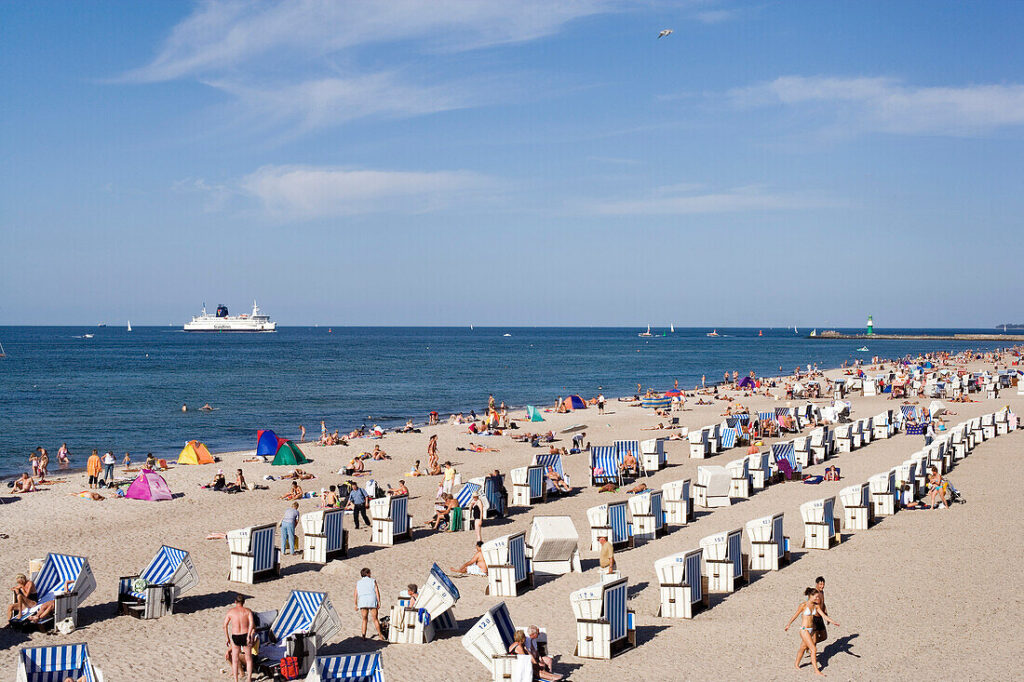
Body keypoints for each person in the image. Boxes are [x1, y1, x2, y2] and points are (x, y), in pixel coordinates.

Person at [784, 587, 839, 676]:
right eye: (816, 597)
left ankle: (796, 664)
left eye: (818, 597)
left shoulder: (816, 606)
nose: (818, 598)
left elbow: (823, 615)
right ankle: (816, 670)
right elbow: (795, 615)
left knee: (803, 647)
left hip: (812, 630)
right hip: (804, 630)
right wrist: (788, 624)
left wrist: (833, 622)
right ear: (810, 596)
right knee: (813, 649)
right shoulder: (803, 605)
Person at [223, 594, 255, 682]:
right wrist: (249, 635)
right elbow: (251, 624)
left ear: (235, 602)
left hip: (235, 635)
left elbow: (224, 626)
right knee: (248, 658)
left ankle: (236, 680)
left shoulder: (231, 612)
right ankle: (248, 679)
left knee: (235, 659)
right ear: (244, 602)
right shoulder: (247, 611)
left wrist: (227, 638)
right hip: (245, 634)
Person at [354, 568, 385, 640]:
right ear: (367, 574)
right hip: (371, 600)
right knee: (375, 619)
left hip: (362, 601)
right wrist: (379, 601)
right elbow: (377, 591)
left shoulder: (358, 582)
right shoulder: (373, 581)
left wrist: (355, 604)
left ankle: (363, 636)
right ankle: (380, 635)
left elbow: (355, 593)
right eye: (370, 573)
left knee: (364, 619)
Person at [813, 577, 829, 643]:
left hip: (820, 617)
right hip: (814, 618)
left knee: (824, 636)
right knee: (815, 637)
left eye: (823, 584)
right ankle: (811, 648)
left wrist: (826, 614)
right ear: (816, 584)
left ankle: (809, 644)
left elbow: (823, 603)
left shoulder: (822, 592)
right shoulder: (814, 593)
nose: (822, 586)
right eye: (820, 584)